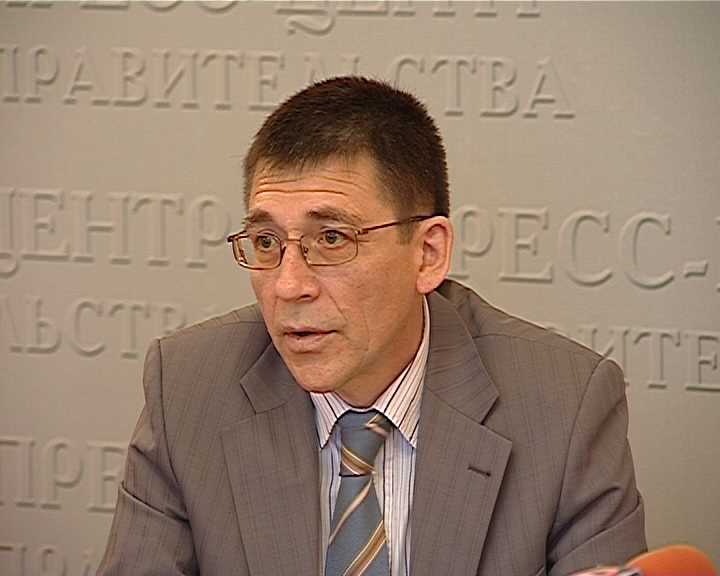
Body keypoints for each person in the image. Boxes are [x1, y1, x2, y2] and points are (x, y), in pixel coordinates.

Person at [98, 76, 646, 576]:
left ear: (428, 254)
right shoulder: (188, 389)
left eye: (332, 238)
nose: (289, 286)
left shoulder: (566, 405)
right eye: (266, 242)